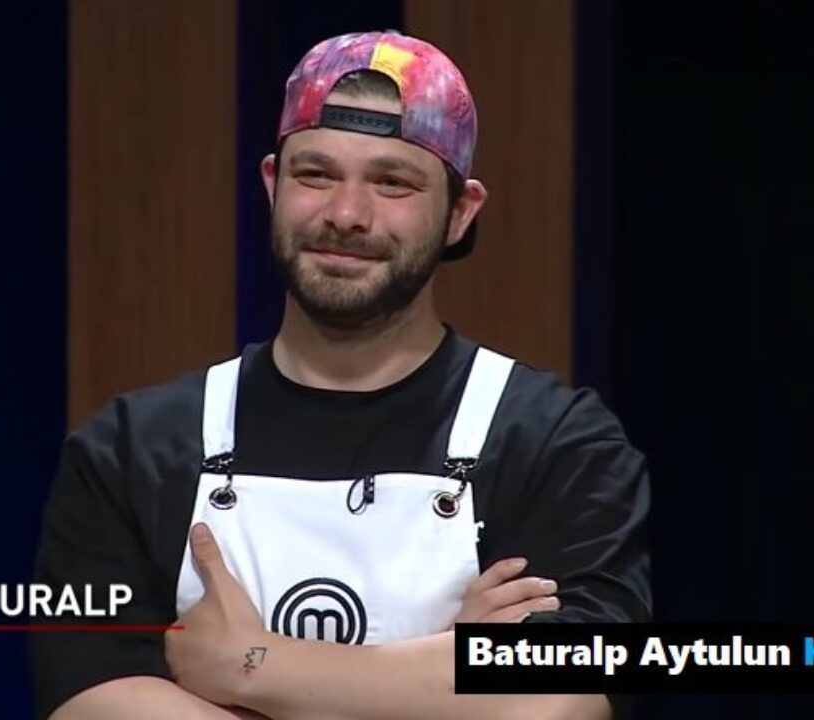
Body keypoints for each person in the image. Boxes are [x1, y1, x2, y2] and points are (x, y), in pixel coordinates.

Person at [32, 30, 651, 720]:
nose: (347, 215)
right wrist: (443, 676)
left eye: (393, 183)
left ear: (460, 213)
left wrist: (248, 664)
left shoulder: (557, 444)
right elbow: (87, 702)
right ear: (272, 184)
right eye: (316, 175)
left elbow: (566, 699)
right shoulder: (128, 451)